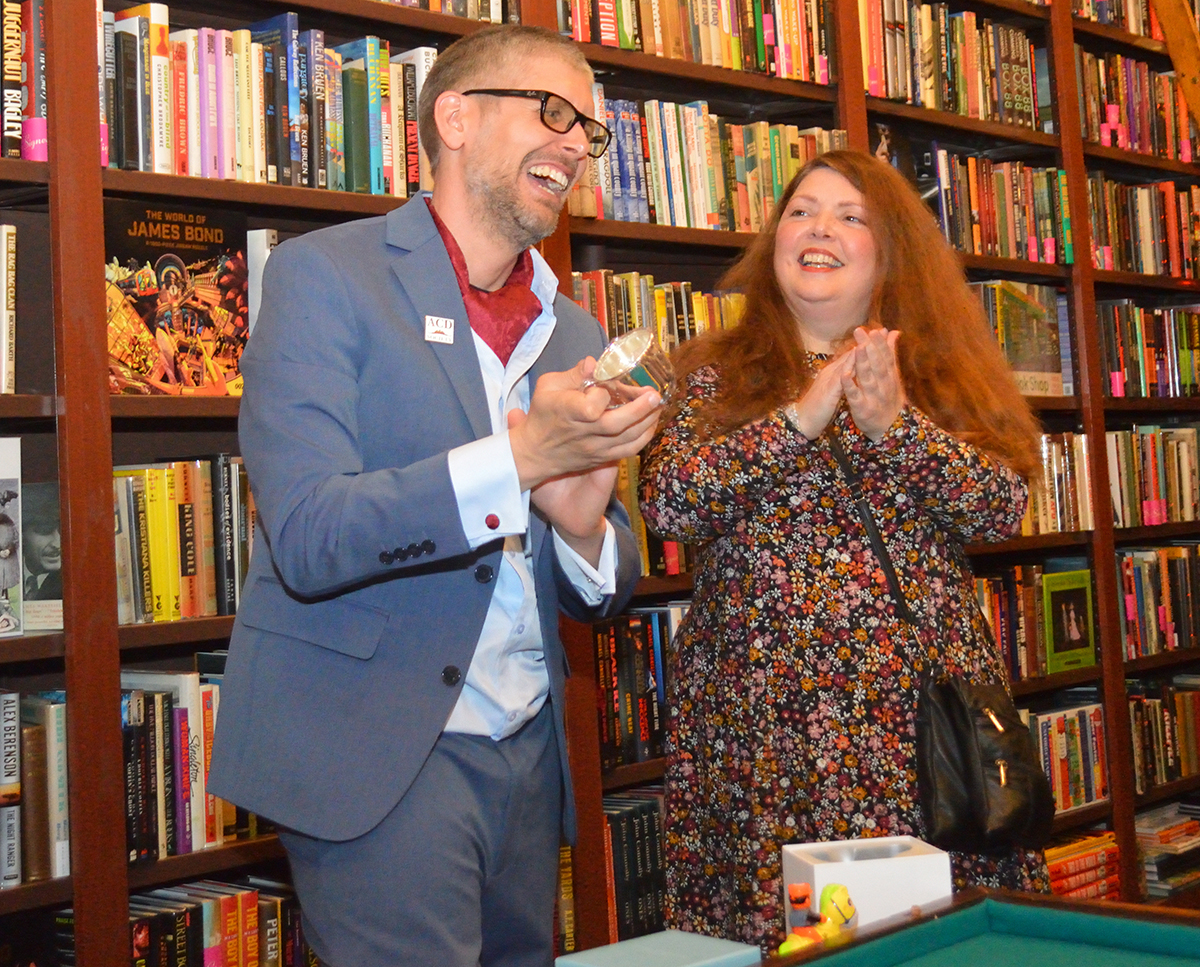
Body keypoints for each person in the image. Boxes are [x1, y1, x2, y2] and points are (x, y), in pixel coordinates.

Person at [207, 24, 662, 967]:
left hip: (529, 756)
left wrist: (582, 531)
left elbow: (606, 576)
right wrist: (520, 459)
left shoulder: (574, 326)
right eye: (553, 112)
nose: (578, 144)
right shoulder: (324, 276)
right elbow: (309, 532)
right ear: (453, 115)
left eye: (591, 130)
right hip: (380, 753)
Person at [638, 149, 1051, 952]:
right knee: (777, 937)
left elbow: (1000, 508)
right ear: (776, 240)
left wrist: (894, 424)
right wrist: (795, 419)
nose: (820, 227)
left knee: (924, 940)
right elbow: (669, 501)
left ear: (889, 250)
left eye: (850, 215)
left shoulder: (941, 371)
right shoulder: (711, 375)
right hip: (756, 727)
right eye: (802, 211)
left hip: (912, 728)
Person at [21, 483, 62, 602]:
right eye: (45, 530)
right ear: (21, 534)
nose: (57, 544)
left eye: (62, 530)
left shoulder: (74, 583)